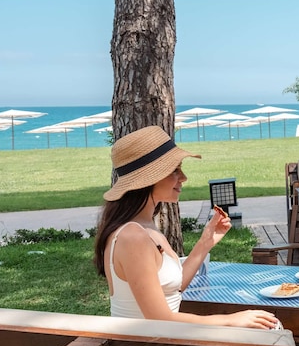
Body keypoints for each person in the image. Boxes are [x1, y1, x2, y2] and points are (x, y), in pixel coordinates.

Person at [94, 125, 280, 330]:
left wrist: (206, 241)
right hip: (149, 344)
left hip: (164, 339)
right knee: (274, 334)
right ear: (150, 178)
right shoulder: (132, 237)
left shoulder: (145, 228)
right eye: (175, 170)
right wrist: (230, 320)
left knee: (272, 328)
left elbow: (175, 288)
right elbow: (159, 319)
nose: (183, 177)